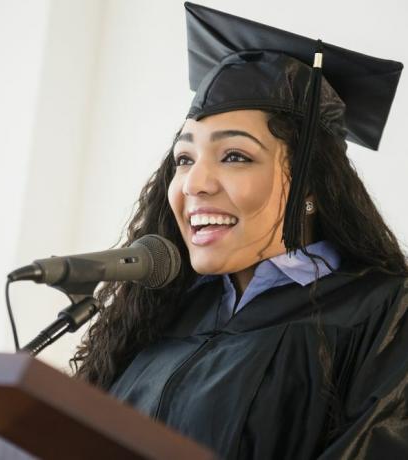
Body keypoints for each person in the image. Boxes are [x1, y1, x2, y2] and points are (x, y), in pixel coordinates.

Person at [71, 3, 408, 459]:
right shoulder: (163, 311)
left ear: (310, 183)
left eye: (235, 156)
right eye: (184, 159)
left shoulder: (383, 313)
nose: (194, 183)